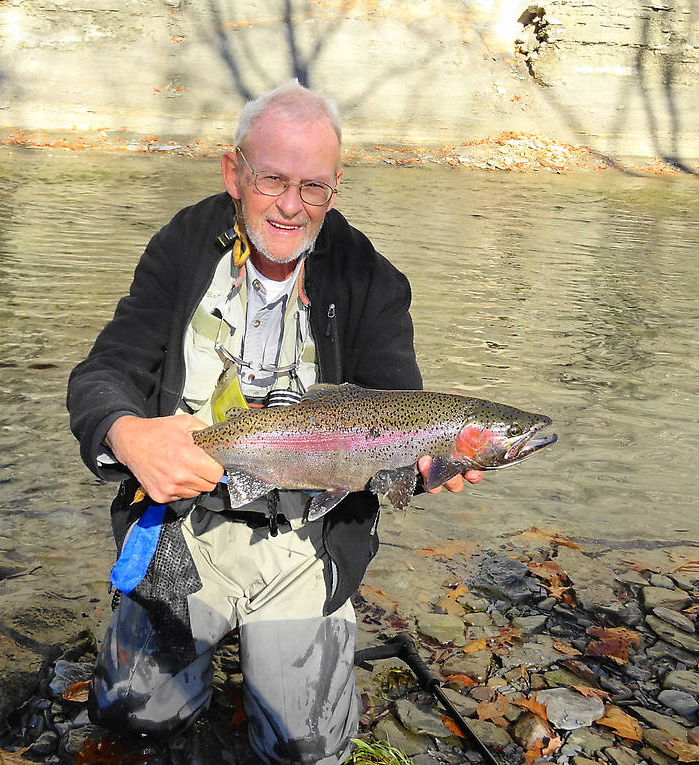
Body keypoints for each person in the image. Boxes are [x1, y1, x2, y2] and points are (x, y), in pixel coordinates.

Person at [67, 80, 482, 765]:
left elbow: (404, 409)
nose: (291, 204)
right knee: (135, 715)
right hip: (185, 525)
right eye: (272, 179)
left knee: (304, 748)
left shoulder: (369, 279)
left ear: (336, 186)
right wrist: (126, 432)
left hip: (306, 540)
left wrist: (427, 464)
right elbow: (102, 373)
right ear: (235, 172)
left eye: (313, 186)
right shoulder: (183, 248)